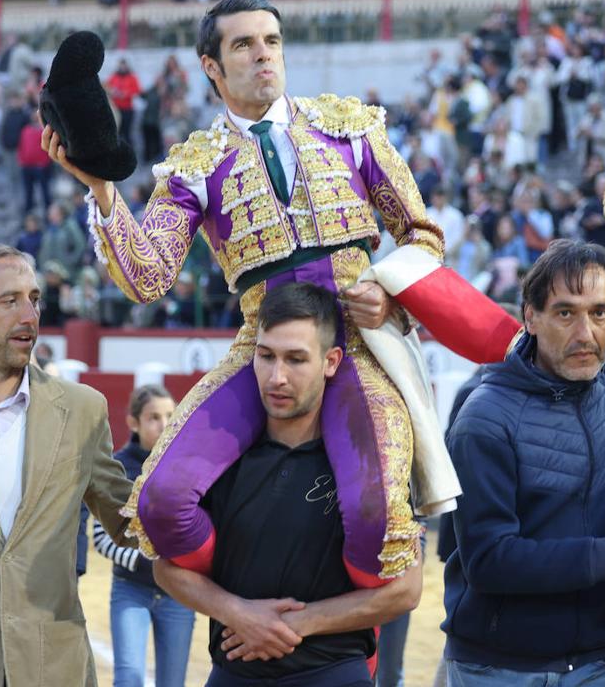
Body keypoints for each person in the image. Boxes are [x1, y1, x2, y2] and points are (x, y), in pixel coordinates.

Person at [42, 0, 446, 591]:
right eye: (244, 44)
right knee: (160, 501)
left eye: (272, 41)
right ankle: (243, 596)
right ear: (212, 66)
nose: (264, 55)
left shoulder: (350, 127)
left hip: (355, 341)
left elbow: (423, 236)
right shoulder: (195, 165)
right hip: (263, 348)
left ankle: (344, 653)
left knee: (380, 514)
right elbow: (148, 277)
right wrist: (102, 190)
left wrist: (389, 296)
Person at [442, 240, 605, 686]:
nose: (585, 333)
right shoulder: (484, 417)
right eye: (565, 313)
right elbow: (489, 560)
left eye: (599, 313)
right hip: (499, 670)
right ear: (530, 318)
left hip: (596, 664)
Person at [154, 282, 422, 687]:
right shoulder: (218, 459)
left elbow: (407, 590)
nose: (276, 377)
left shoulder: (365, 463)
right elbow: (165, 569)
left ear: (331, 361)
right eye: (266, 356)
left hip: (333, 673)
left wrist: (297, 623)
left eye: (296, 359)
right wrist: (237, 613)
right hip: (233, 671)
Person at [0, 245, 136, 684]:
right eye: (10, 301)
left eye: (34, 299)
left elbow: (129, 523)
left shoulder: (83, 410)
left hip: (52, 666)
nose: (30, 315)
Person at [92, 385, 196, 687]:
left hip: (179, 593)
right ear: (133, 423)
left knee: (173, 683)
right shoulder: (118, 467)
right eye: (153, 417)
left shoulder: (189, 465)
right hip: (131, 589)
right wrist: (155, 561)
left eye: (170, 416)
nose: (164, 425)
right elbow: (102, 537)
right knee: (129, 679)